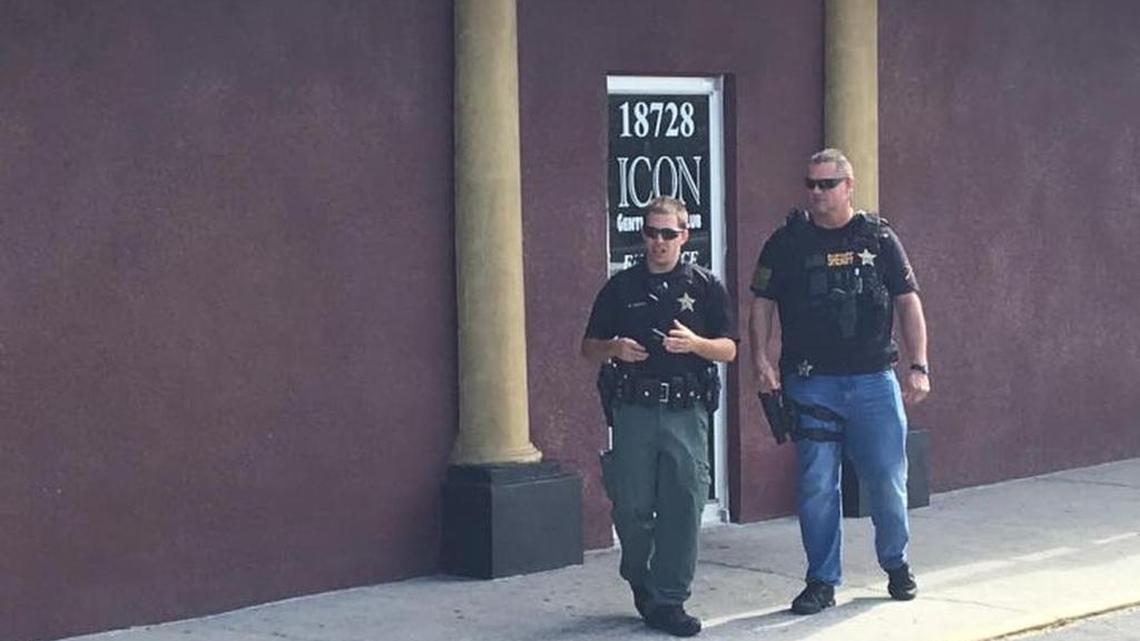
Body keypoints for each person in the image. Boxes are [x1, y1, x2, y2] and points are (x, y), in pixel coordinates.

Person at [748, 148, 931, 615]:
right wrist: (762, 361)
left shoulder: (879, 237)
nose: (816, 193)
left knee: (888, 480)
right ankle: (821, 580)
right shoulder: (787, 242)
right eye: (810, 184)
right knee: (815, 485)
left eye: (826, 184)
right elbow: (762, 302)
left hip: (873, 379)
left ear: (848, 187)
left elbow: (908, 301)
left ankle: (896, 563)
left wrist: (919, 364)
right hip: (812, 382)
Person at [582, 196, 737, 637]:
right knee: (631, 505)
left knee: (684, 505)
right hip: (634, 410)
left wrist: (696, 345)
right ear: (643, 235)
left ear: (684, 236)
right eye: (651, 232)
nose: (659, 242)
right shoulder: (621, 288)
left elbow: (729, 348)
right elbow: (587, 348)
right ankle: (640, 575)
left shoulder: (705, 286)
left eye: (669, 233)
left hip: (686, 411)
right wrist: (614, 348)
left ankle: (670, 599)